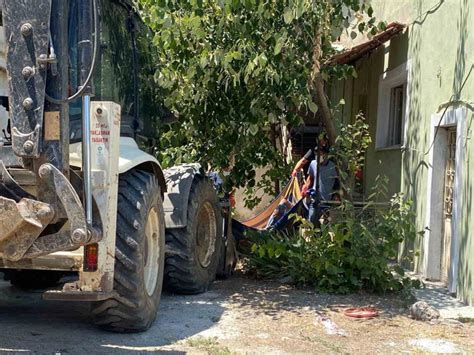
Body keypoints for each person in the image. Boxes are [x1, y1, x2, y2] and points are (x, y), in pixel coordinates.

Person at [301, 144, 338, 224]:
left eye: (320, 154)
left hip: (327, 201)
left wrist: (336, 195)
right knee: (311, 220)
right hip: (314, 198)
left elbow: (336, 182)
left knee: (324, 223)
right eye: (316, 154)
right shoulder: (313, 164)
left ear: (325, 155)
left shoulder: (332, 167)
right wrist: (306, 189)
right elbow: (310, 178)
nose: (318, 156)